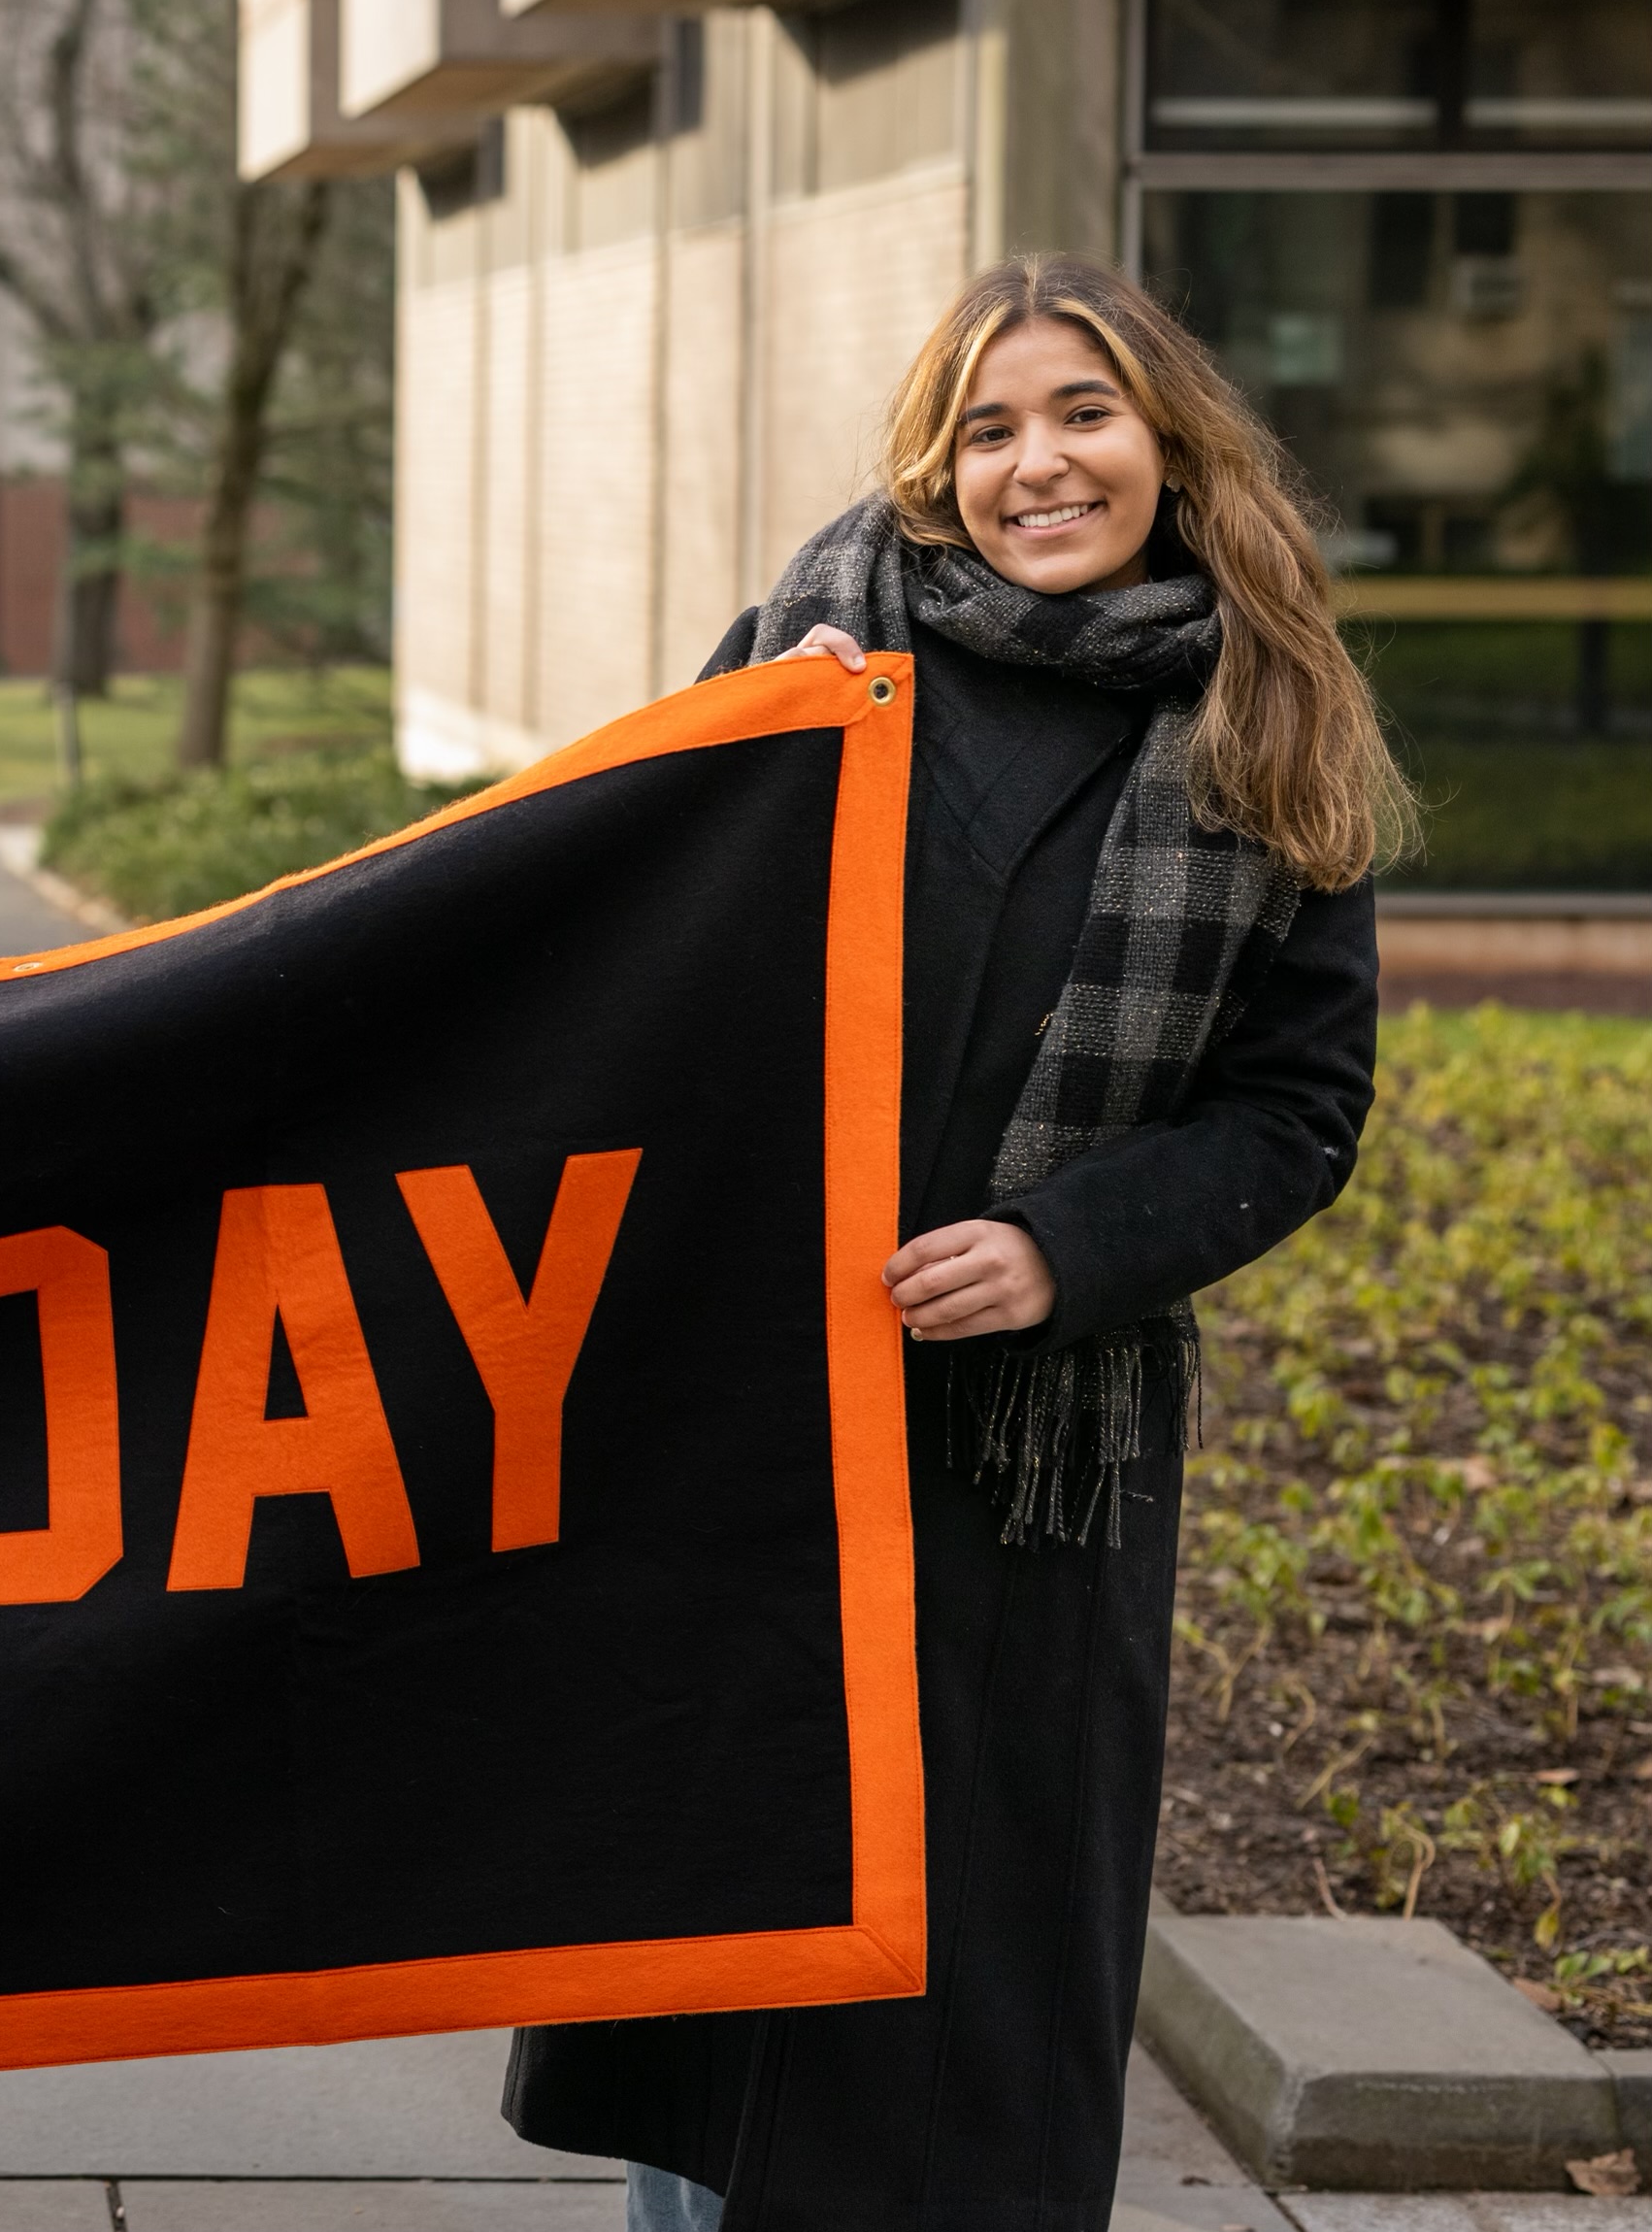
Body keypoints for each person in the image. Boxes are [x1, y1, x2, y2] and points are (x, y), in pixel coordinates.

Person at [506, 252, 1407, 2231]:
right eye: (986, 426)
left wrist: (1057, 1247)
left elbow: (1293, 1110)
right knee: (726, 1950)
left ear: (1164, 441)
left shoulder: (1266, 711)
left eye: (1080, 413)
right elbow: (608, 928)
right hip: (751, 1409)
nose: (1035, 463)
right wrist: (736, 757)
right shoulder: (817, 646)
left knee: (959, 1985)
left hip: (1028, 1457)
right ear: (934, 461)